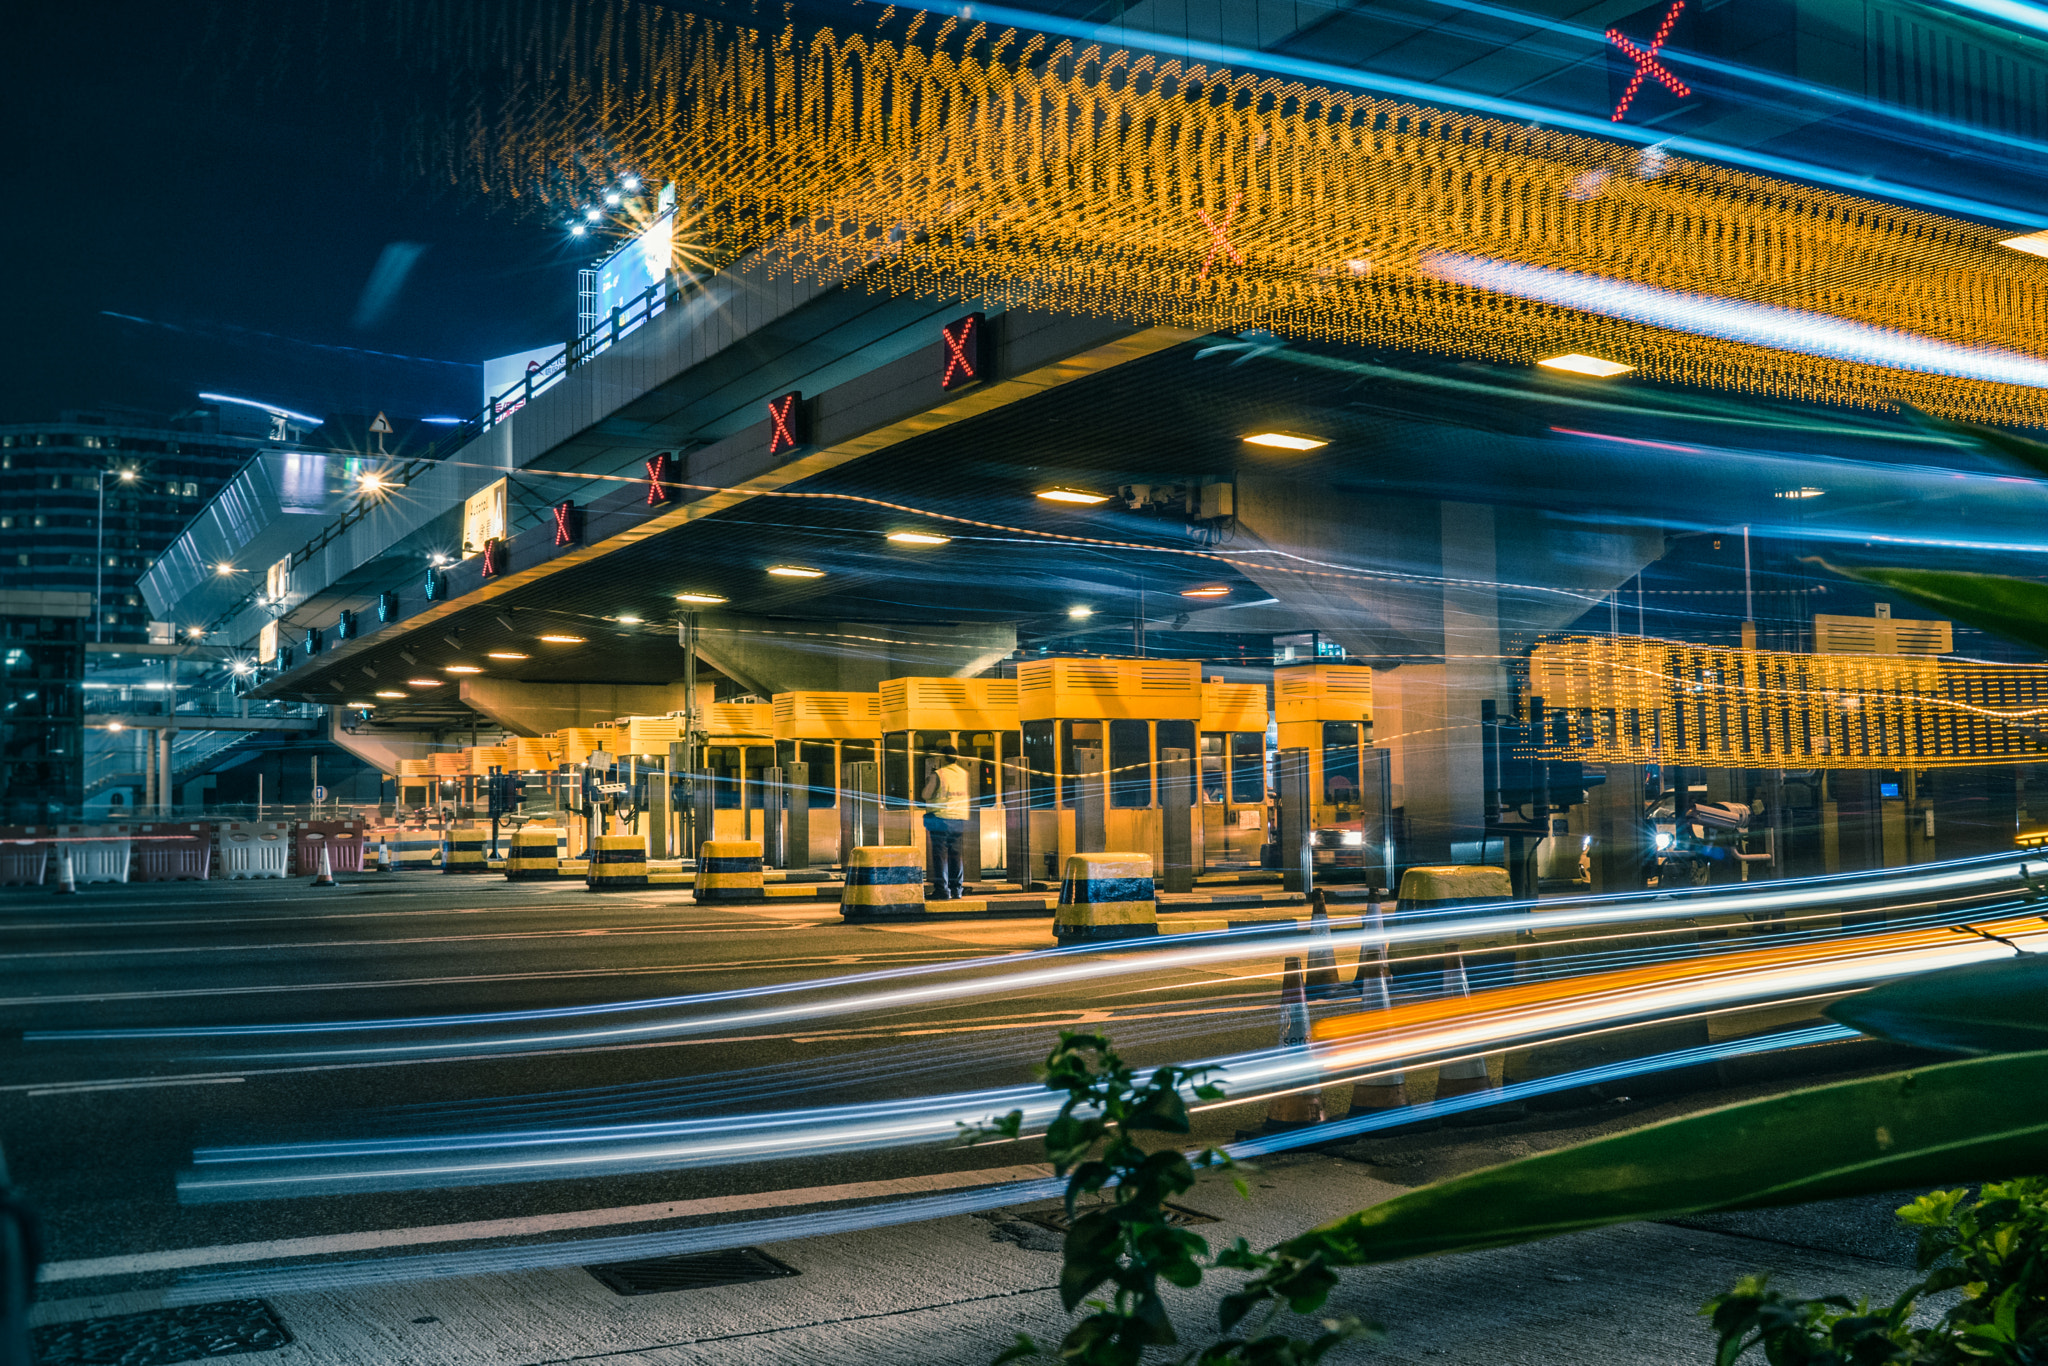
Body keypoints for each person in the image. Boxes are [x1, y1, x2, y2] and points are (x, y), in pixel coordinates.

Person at [920, 743, 970, 899]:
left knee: (940, 856)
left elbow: (926, 795)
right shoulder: (963, 774)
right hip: (959, 820)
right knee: (956, 856)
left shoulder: (939, 774)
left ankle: (942, 890)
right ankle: (957, 890)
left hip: (941, 819)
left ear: (942, 757)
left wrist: (930, 779)